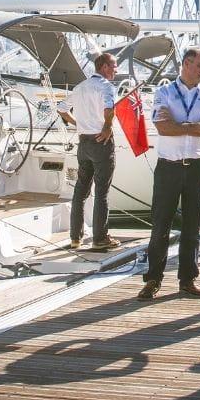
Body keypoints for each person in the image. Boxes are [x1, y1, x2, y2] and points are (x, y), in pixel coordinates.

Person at [138, 48, 200, 300]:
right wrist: (195, 126)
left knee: (193, 225)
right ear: (186, 64)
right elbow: (162, 128)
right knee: (161, 223)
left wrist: (180, 125)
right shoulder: (164, 92)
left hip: (196, 165)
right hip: (169, 166)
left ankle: (187, 279)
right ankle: (153, 278)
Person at [58, 52, 120, 251]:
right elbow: (109, 109)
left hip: (83, 142)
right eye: (114, 66)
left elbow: (61, 109)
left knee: (81, 190)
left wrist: (78, 123)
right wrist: (107, 127)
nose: (116, 70)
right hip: (101, 142)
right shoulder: (106, 86)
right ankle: (100, 238)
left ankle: (76, 237)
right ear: (104, 67)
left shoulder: (79, 87)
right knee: (101, 191)